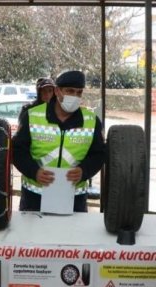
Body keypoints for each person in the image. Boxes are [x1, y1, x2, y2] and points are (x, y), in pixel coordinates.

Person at [12, 70, 105, 212]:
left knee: (72, 235)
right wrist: (34, 171)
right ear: (57, 91)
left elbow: (99, 154)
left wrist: (84, 171)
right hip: (35, 196)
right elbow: (17, 151)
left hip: (75, 198)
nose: (74, 96)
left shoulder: (91, 120)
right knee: (33, 235)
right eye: (69, 91)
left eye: (79, 92)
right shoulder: (32, 116)